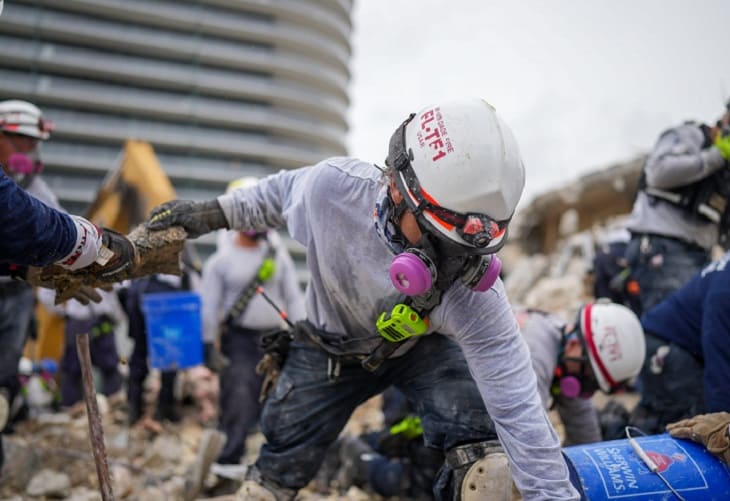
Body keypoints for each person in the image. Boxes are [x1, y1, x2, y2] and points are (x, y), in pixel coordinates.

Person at [147, 98, 580, 500]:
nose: (449, 262)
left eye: (466, 248)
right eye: (435, 237)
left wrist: (553, 495)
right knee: (274, 474)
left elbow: (519, 408)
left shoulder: (470, 290)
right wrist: (208, 214)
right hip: (328, 348)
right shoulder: (334, 191)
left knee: (489, 472)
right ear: (396, 188)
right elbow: (272, 197)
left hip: (420, 348)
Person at [200, 183, 305, 481]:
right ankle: (228, 463)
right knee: (239, 394)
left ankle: (272, 467)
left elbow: (293, 296)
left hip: (274, 337)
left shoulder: (276, 254)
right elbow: (209, 308)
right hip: (239, 340)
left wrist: (304, 331)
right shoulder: (221, 262)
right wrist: (207, 345)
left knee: (278, 399)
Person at [624, 101, 730, 314]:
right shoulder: (691, 136)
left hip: (699, 255)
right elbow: (658, 172)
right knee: (673, 333)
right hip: (663, 248)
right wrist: (717, 156)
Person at [629, 251, 730, 435]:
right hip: (665, 349)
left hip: (686, 346)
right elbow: (720, 374)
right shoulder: (725, 294)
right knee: (698, 429)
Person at [515, 301, 645, 444]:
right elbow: (526, 438)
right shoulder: (532, 359)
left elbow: (582, 424)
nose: (585, 386)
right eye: (590, 376)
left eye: (593, 384)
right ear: (574, 345)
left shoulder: (565, 346)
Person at [123, 245, 202, 425]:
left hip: (140, 303)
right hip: (167, 305)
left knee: (139, 354)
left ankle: (134, 408)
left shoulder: (138, 264)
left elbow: (122, 293)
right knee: (169, 356)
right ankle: (163, 409)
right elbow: (195, 298)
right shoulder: (184, 268)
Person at [36, 287, 125, 408]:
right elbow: (44, 292)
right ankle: (71, 409)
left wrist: (118, 317)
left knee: (110, 367)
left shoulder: (107, 269)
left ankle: (114, 407)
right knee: (72, 371)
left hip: (103, 323)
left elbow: (115, 291)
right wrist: (62, 311)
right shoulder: (64, 268)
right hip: (77, 323)